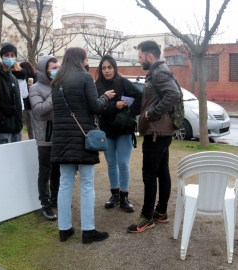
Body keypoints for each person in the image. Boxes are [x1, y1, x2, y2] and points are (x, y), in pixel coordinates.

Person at [51, 47, 115, 243]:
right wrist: (106, 97)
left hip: (62, 138)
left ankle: (64, 229)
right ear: (81, 59)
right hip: (82, 136)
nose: (88, 61)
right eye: (86, 58)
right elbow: (94, 106)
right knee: (87, 184)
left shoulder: (56, 81)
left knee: (64, 184)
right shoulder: (85, 77)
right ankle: (88, 230)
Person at [127, 40, 180, 233]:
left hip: (157, 132)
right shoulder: (158, 71)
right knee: (162, 171)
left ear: (149, 56)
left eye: (140, 56)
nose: (139, 60)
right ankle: (161, 212)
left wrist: (152, 113)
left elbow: (172, 94)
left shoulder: (159, 72)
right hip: (160, 132)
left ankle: (147, 217)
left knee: (149, 175)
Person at [95, 55, 142, 212]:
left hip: (124, 129)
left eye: (109, 67)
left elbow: (140, 97)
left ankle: (124, 197)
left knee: (123, 163)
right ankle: (114, 195)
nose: (107, 70)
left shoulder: (123, 82)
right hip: (107, 130)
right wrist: (115, 105)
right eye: (104, 68)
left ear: (114, 68)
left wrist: (130, 112)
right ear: (100, 70)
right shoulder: (97, 85)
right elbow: (98, 109)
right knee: (111, 163)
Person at [29, 55, 60, 221]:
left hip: (60, 135)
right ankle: (45, 204)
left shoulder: (61, 86)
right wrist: (55, 92)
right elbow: (39, 110)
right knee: (45, 171)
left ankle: (56, 198)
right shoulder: (35, 88)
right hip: (44, 136)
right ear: (44, 70)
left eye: (58, 66)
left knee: (58, 170)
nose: (56, 69)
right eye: (53, 67)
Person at [0, 42, 23, 144]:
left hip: (16, 126)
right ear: (1, 56)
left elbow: (18, 102)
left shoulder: (13, 78)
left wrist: (19, 123)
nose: (9, 58)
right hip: (2, 127)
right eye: (6, 55)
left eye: (12, 55)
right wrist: (1, 120)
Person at [20, 61, 37, 140]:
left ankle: (36, 139)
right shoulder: (21, 77)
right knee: (28, 125)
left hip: (32, 104)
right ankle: (31, 140)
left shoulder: (34, 76)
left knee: (34, 124)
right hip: (25, 104)